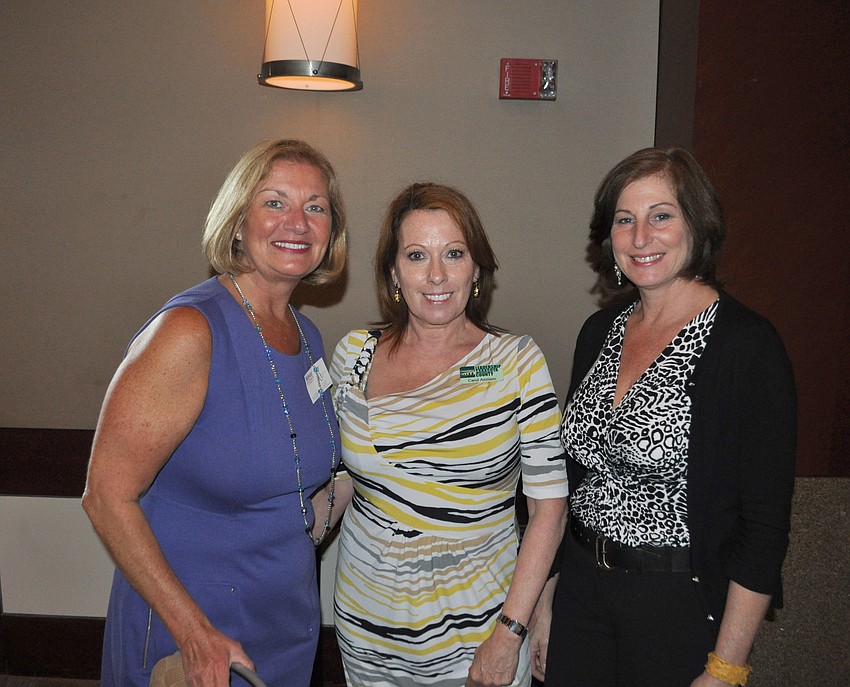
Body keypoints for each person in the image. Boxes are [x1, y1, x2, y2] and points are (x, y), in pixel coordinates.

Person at [82, 139, 347, 687]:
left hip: (284, 625)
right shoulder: (190, 331)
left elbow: (305, 485)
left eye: (315, 207)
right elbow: (106, 496)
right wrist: (193, 632)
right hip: (194, 637)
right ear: (237, 221)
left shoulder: (309, 336)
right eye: (275, 202)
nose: (296, 222)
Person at [531, 147, 796, 687]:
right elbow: (574, 479)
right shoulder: (599, 331)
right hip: (582, 589)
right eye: (624, 220)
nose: (639, 236)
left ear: (697, 225)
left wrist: (726, 669)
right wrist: (546, 598)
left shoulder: (747, 347)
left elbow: (764, 527)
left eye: (661, 216)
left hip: (677, 605)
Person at [324, 182, 568, 687]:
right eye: (417, 255)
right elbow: (345, 479)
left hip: (478, 638)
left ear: (476, 268)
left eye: (453, 253)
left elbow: (549, 510)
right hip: (366, 632)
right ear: (393, 272)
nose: (436, 275)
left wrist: (510, 633)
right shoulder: (354, 354)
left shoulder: (516, 363)